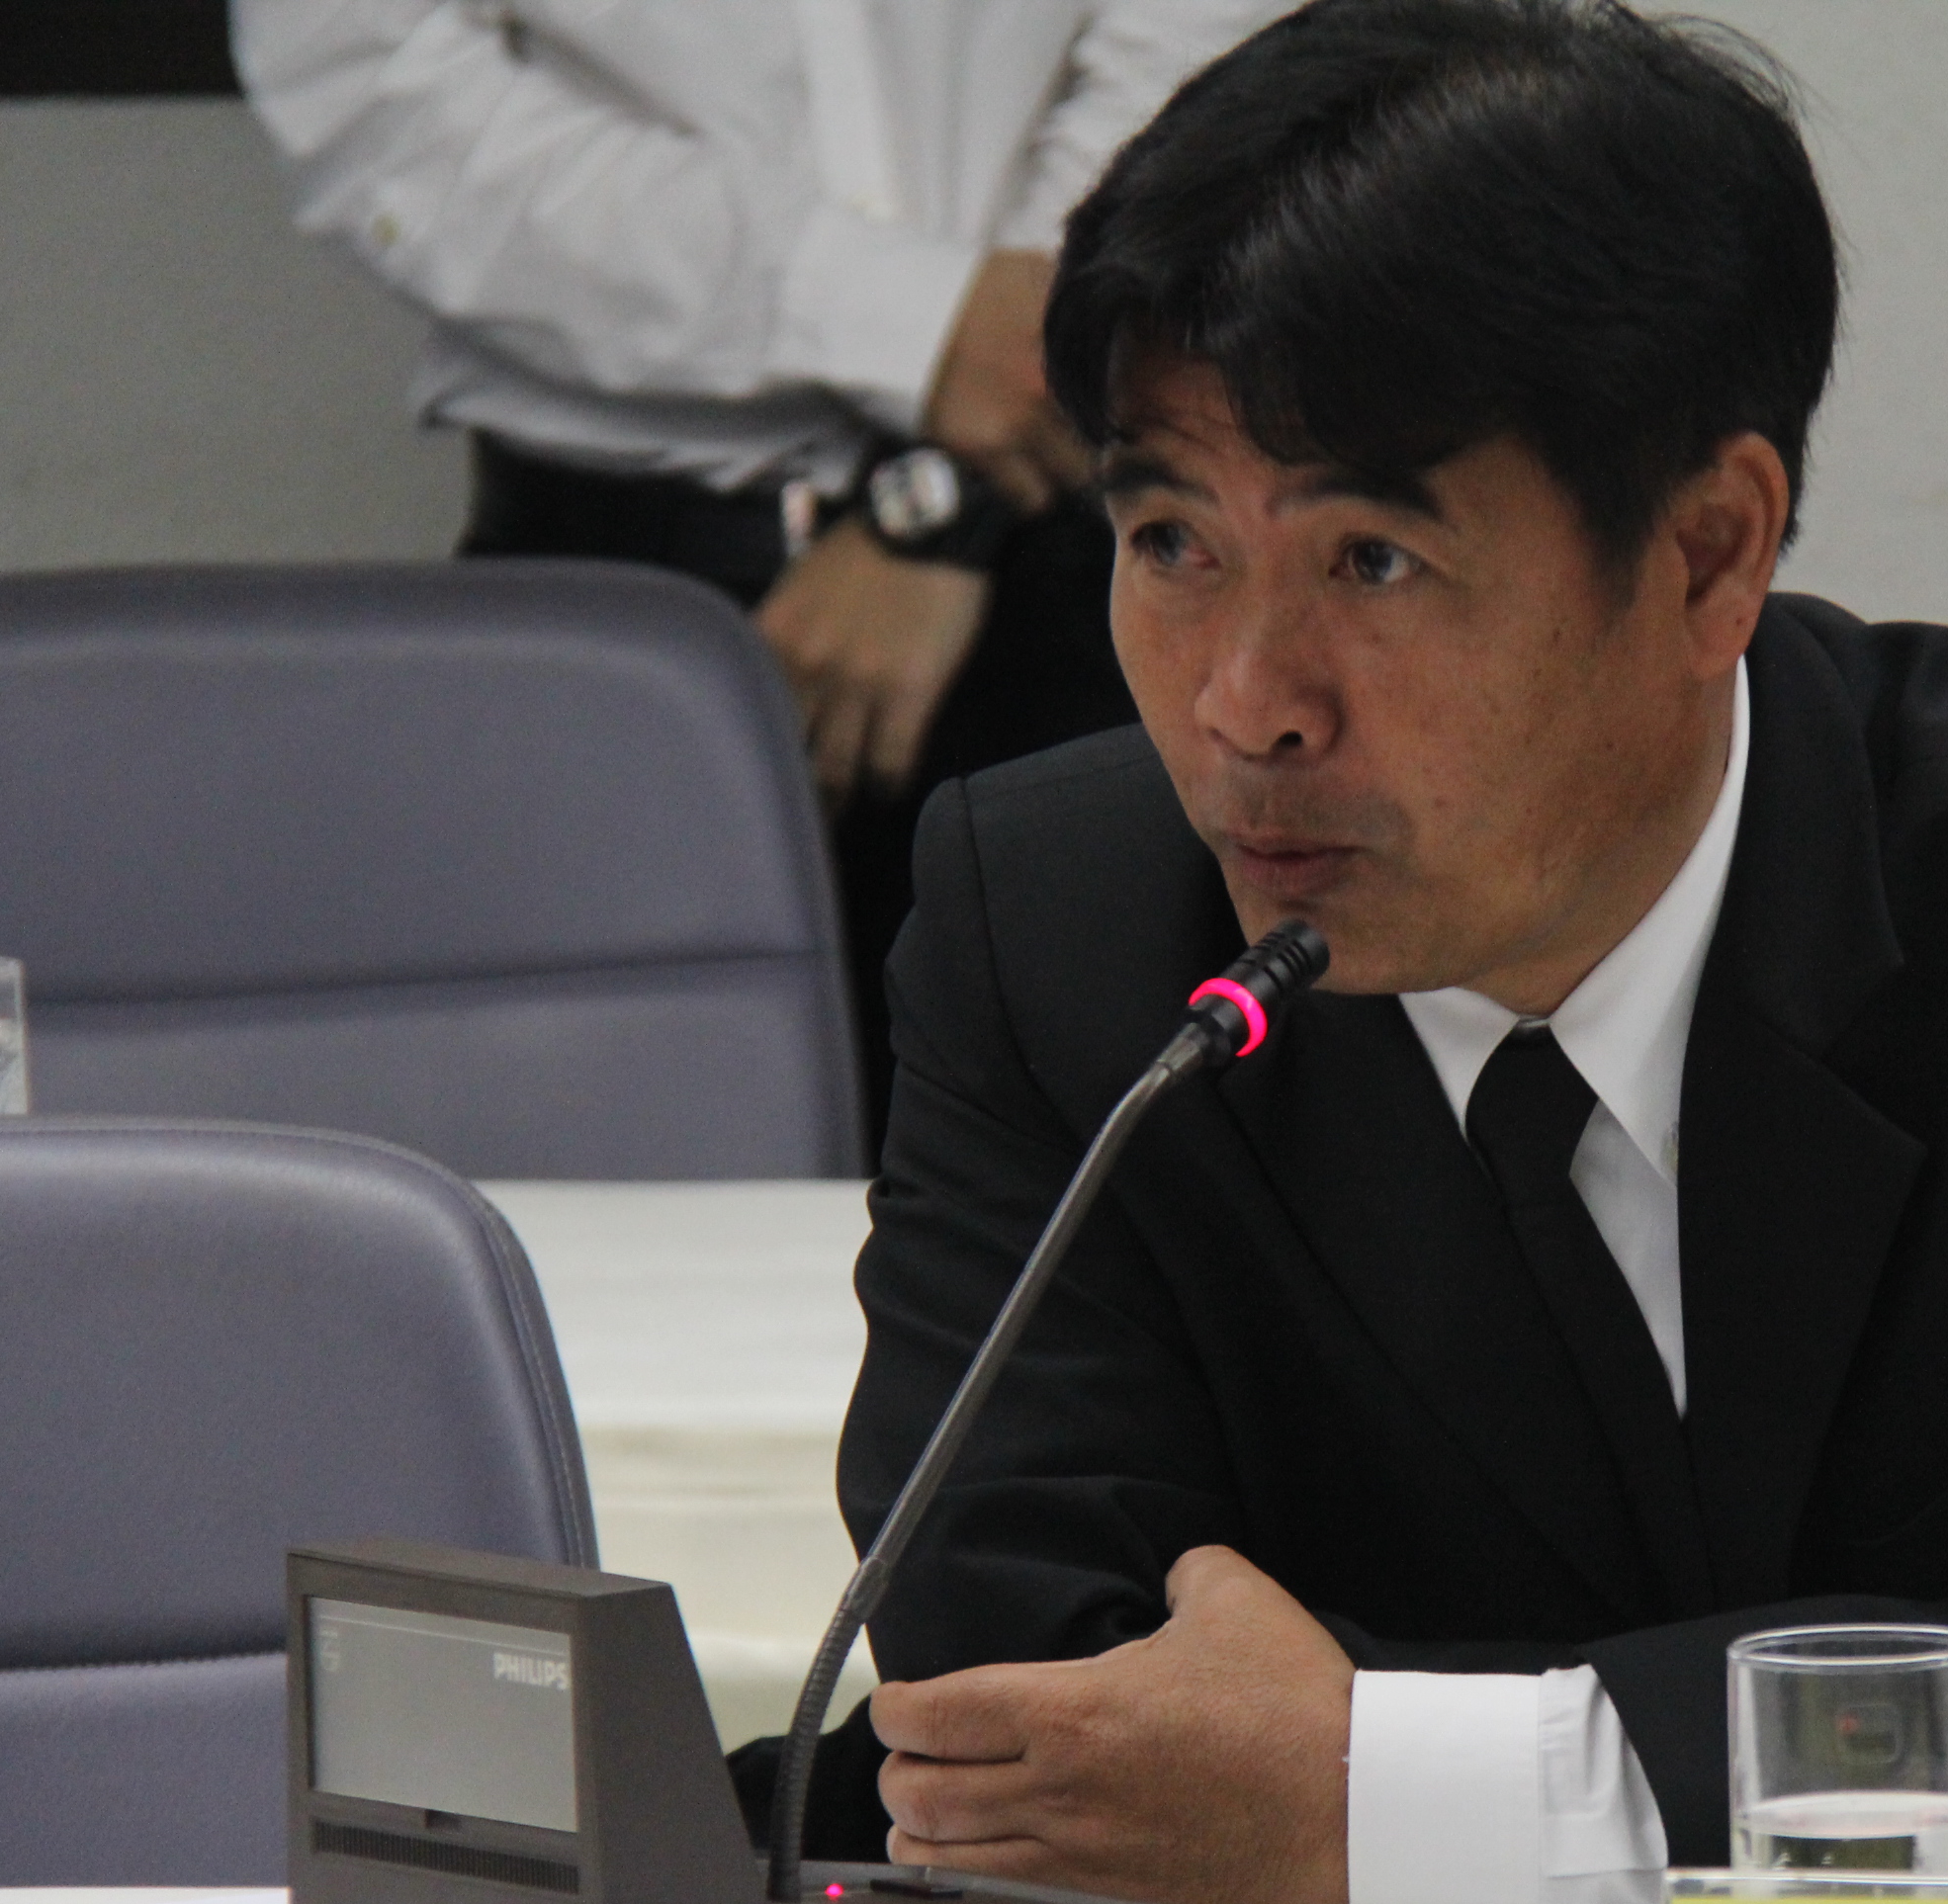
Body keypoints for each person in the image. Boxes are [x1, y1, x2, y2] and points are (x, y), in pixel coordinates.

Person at [811, 0, 1948, 1904]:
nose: (1247, 704)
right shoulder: (1056, 927)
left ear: (1707, 555)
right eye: (1171, 542)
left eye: (1371, 564)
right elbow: (1029, 1724)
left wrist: (1384, 1792)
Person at [234, 0, 1277, 1136]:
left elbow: (1215, 53)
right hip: (612, 602)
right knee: (599, 1179)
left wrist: (963, 479)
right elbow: (363, 80)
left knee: (1125, 1182)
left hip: (1077, 564)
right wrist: (909, 321)